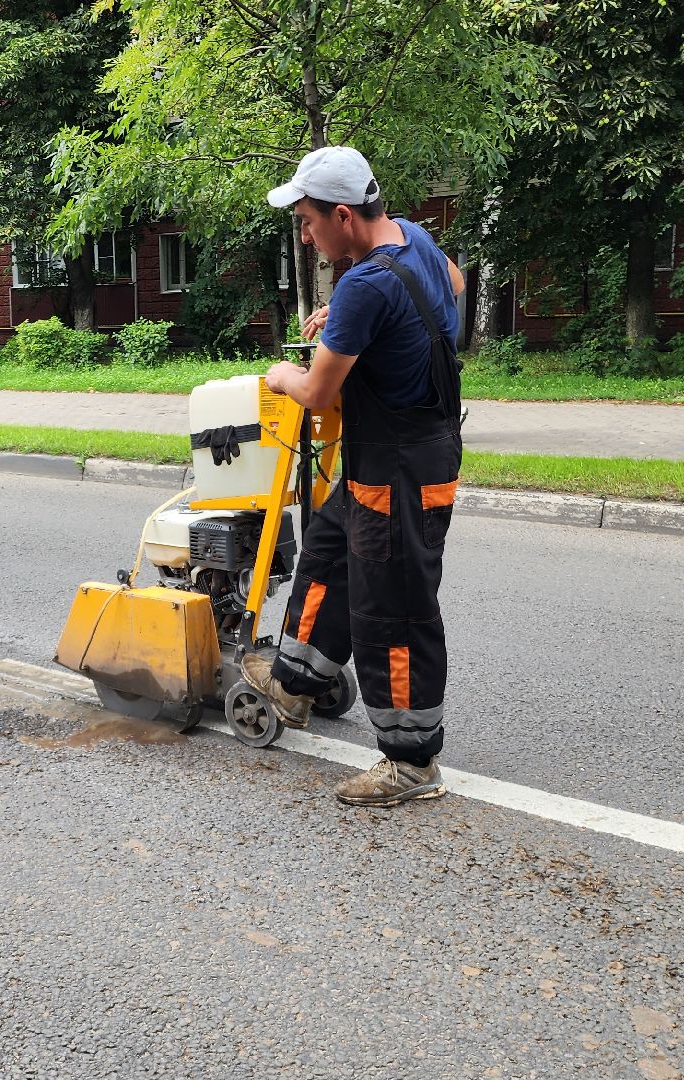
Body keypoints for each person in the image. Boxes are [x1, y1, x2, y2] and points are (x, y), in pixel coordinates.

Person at [241, 145, 465, 808]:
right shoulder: (412, 239)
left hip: (402, 469)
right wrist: (350, 325)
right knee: (328, 554)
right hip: (389, 458)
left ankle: (412, 761)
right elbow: (452, 284)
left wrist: (281, 374)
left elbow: (316, 392)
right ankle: (295, 684)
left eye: (309, 223)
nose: (307, 238)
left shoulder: (365, 285)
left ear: (343, 215)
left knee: (393, 610)